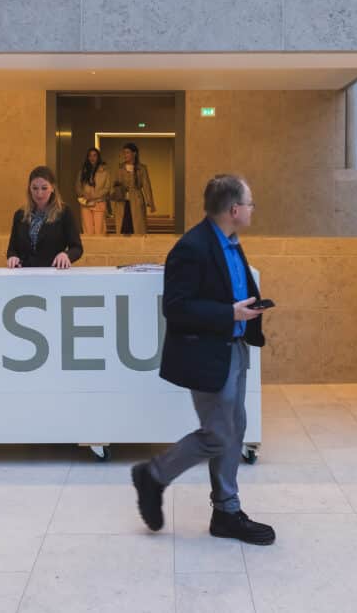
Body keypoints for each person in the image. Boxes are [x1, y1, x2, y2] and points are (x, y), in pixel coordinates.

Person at [131, 174, 275, 546]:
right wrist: (229, 313)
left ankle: (226, 511)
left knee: (235, 429)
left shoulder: (231, 242)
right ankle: (154, 475)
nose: (253, 209)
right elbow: (176, 308)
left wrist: (245, 314)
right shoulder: (191, 247)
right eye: (250, 203)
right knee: (218, 434)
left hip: (235, 347)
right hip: (208, 354)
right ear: (234, 209)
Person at [6, 165, 83, 269]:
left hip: (53, 273)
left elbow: (77, 248)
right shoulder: (20, 215)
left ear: (53, 188)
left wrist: (66, 255)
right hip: (24, 273)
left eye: (44, 188)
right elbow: (12, 249)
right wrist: (12, 257)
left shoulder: (64, 213)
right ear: (29, 189)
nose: (39, 194)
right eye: (35, 188)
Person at [110, 142, 155, 235]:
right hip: (122, 200)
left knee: (137, 228)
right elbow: (113, 184)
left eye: (127, 152)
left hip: (136, 200)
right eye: (124, 153)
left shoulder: (141, 168)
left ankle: (138, 244)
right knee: (123, 227)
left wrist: (150, 202)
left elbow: (146, 185)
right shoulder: (119, 167)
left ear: (134, 153)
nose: (125, 155)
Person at [75, 147, 111, 235]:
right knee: (88, 230)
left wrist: (94, 195)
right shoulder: (83, 171)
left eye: (94, 155)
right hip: (86, 202)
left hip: (99, 202)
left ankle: (100, 244)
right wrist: (83, 194)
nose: (92, 158)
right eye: (90, 156)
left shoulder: (105, 172)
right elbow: (78, 186)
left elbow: (107, 188)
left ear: (98, 157)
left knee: (99, 230)